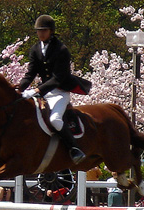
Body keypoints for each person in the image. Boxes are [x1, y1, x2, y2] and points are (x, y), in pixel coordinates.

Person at [17, 15, 91, 165]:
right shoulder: (35, 49)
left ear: (51, 31)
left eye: (44, 30)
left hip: (59, 92)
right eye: (39, 31)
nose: (41, 34)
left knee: (54, 120)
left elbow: (58, 78)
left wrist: (36, 90)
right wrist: (20, 88)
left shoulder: (61, 49)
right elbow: (30, 73)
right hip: (44, 94)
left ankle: (74, 149)